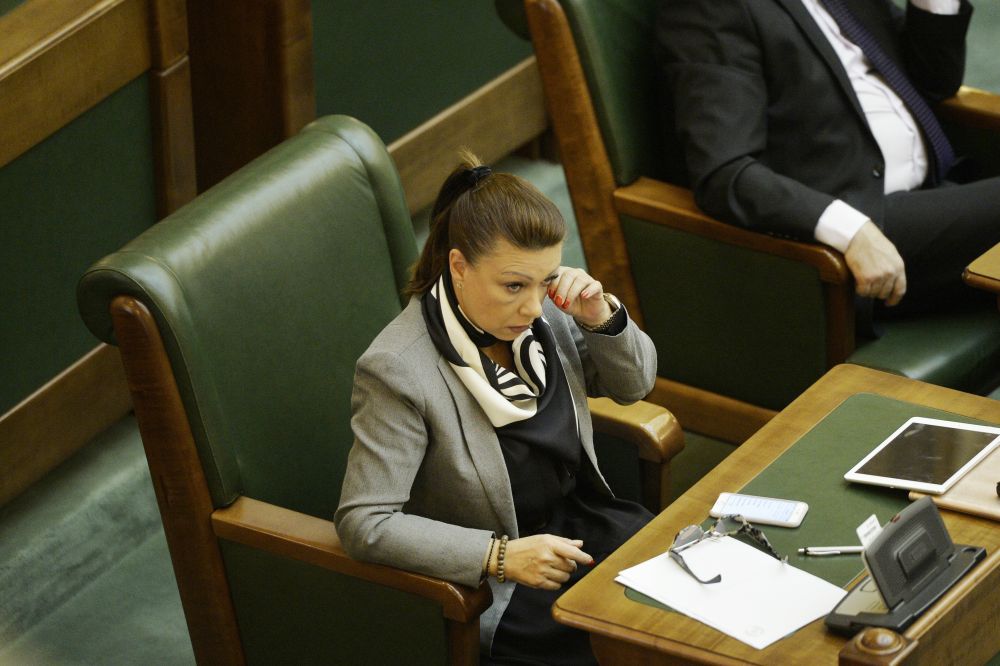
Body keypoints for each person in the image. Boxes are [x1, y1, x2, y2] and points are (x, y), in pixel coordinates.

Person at [335, 155, 657, 664]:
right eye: (513, 286)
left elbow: (634, 385)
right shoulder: (398, 369)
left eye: (545, 280)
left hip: (584, 522)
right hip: (500, 581)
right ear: (459, 267)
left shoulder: (548, 311)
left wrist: (600, 316)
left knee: (684, 606)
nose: (533, 307)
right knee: (620, 645)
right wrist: (498, 556)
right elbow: (365, 522)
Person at [654, 0, 1000, 330]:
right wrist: (852, 231)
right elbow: (725, 173)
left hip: (934, 192)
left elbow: (933, 82)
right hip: (858, 227)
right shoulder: (710, 8)